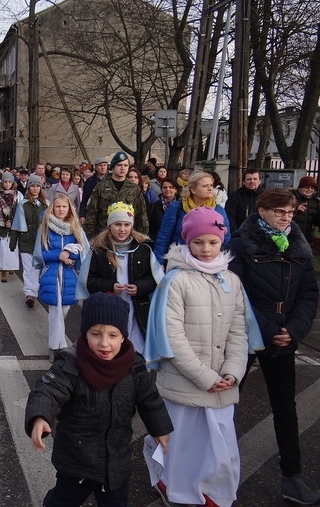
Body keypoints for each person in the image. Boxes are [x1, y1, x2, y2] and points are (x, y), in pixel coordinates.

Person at [144, 206, 251, 507]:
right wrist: (205, 377)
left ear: (222, 242)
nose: (206, 249)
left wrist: (233, 372)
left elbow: (238, 332)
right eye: (198, 242)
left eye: (213, 242)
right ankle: (172, 485)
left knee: (220, 446)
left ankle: (213, 492)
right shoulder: (175, 280)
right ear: (187, 241)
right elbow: (172, 337)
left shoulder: (232, 281)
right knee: (181, 445)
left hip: (222, 384)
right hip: (185, 382)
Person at [25, 293, 173, 507]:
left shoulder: (134, 365)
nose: (104, 343)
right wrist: (39, 416)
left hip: (116, 462)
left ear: (124, 336)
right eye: (96, 334)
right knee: (62, 501)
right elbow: (48, 389)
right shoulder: (71, 362)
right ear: (85, 334)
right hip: (76, 461)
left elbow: (149, 399)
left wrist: (159, 428)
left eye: (113, 335)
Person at [228, 188, 320, 505]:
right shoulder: (242, 243)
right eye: (280, 211)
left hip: (283, 339)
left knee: (285, 409)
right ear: (263, 210)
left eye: (290, 212)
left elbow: (309, 294)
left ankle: (292, 478)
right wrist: (267, 329)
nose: (286, 217)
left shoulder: (298, 244)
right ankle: (211, 468)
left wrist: (293, 331)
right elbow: (234, 292)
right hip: (247, 337)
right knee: (225, 404)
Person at [87, 202, 163, 354]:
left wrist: (139, 287)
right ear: (110, 226)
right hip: (109, 308)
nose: (122, 229)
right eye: (117, 224)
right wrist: (110, 286)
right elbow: (90, 281)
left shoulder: (143, 249)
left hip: (137, 308)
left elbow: (154, 279)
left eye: (127, 225)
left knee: (136, 347)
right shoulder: (99, 252)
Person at [33, 193, 90, 361]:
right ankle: (56, 347)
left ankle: (58, 343)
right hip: (51, 272)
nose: (61, 209)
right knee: (55, 310)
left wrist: (70, 255)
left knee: (63, 310)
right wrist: (59, 255)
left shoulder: (75, 228)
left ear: (69, 208)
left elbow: (83, 250)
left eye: (64, 206)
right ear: (52, 208)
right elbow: (40, 253)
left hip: (69, 275)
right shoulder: (45, 227)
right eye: (58, 206)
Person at [153, 171, 231, 265]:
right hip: (181, 262)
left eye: (211, 185)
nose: (210, 189)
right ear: (193, 189)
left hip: (209, 263)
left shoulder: (218, 210)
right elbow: (164, 237)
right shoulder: (177, 208)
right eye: (205, 186)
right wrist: (158, 263)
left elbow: (225, 239)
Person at [83, 151, 149, 238]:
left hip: (127, 235)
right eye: (119, 165)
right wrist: (89, 239)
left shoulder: (134, 189)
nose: (122, 168)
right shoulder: (101, 187)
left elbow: (141, 216)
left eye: (125, 165)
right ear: (113, 167)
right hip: (104, 235)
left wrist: (142, 238)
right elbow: (92, 215)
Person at [10, 174, 47, 307]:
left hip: (41, 241)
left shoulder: (45, 204)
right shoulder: (22, 204)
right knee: (27, 268)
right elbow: (16, 224)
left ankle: (35, 289)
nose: (35, 189)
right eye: (33, 186)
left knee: (37, 268)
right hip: (25, 240)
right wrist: (13, 242)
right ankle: (29, 292)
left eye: (38, 186)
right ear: (29, 188)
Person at [0, 172, 23, 282]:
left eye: (9, 182)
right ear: (2, 183)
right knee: (4, 248)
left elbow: (20, 211)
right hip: (2, 224)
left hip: (14, 224)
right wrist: (3, 222)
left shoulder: (17, 195)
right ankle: (3, 270)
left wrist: (13, 222)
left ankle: (11, 266)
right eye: (5, 182)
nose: (7, 184)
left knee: (14, 247)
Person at [225, 168, 263, 233]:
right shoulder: (234, 197)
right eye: (249, 179)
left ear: (260, 181)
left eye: (255, 179)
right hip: (240, 236)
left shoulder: (265, 197)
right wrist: (236, 234)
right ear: (243, 182)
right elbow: (229, 218)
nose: (252, 181)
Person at [147, 178, 179, 245]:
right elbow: (150, 226)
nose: (168, 189)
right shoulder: (155, 205)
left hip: (177, 242)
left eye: (170, 187)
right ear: (161, 190)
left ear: (175, 190)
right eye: (165, 187)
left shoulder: (181, 206)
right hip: (158, 242)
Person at [291, 176, 320, 246]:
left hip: (307, 239)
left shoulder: (315, 202)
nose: (309, 190)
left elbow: (316, 221)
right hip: (291, 238)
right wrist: (296, 210)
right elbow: (280, 214)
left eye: (312, 188)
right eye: (307, 187)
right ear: (300, 188)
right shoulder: (291, 198)